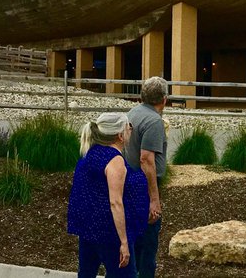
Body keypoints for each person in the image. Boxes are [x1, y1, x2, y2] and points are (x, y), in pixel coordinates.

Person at [67, 112, 149, 278]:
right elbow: (115, 203)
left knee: (86, 274)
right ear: (120, 135)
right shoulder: (115, 160)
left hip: (88, 229)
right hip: (110, 233)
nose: (130, 131)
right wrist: (124, 242)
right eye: (128, 127)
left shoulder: (90, 152)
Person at [123, 77, 169, 277]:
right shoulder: (153, 121)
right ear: (164, 99)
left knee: (134, 240)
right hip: (143, 187)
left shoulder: (133, 113)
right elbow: (146, 160)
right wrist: (154, 199)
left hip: (128, 182)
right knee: (148, 244)